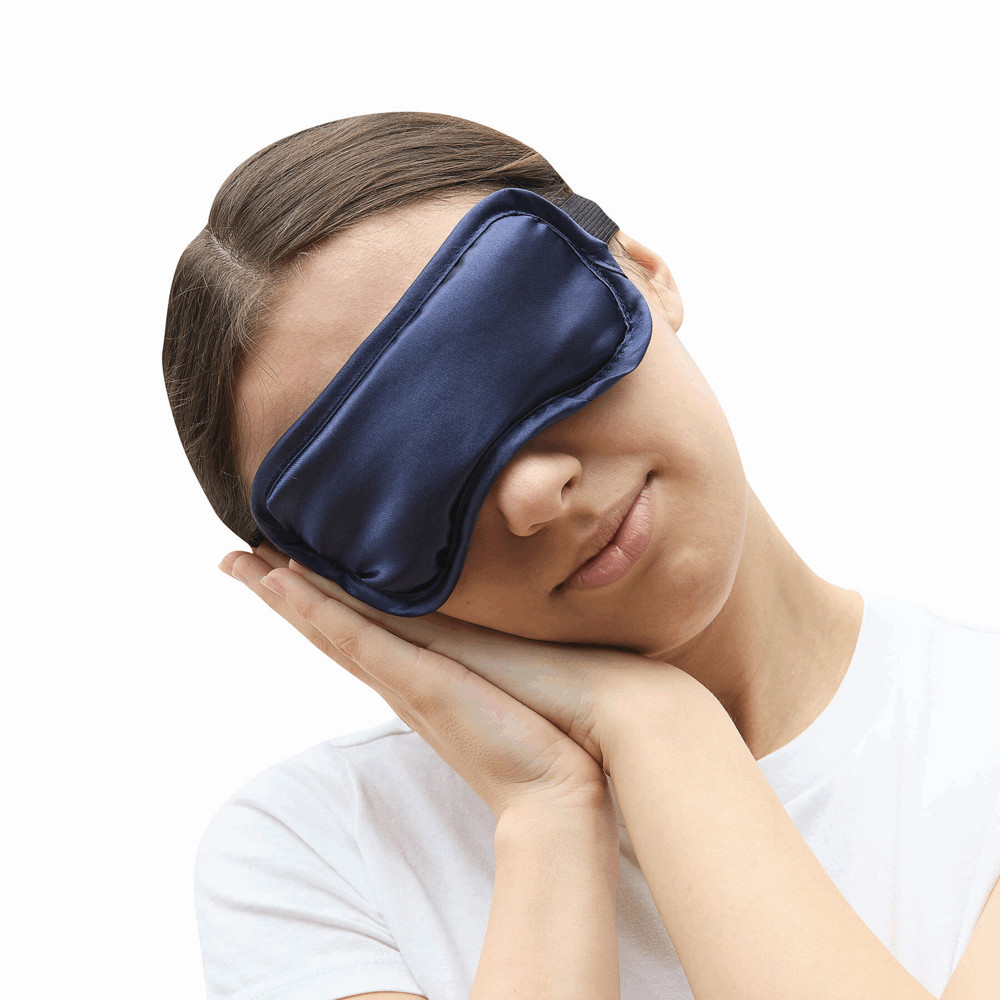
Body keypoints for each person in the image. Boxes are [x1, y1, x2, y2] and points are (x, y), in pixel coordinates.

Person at [163, 111, 1000, 1000]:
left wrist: (663, 734)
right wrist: (548, 809)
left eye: (517, 347)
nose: (532, 494)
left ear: (641, 271)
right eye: (402, 481)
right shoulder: (315, 855)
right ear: (329, 582)